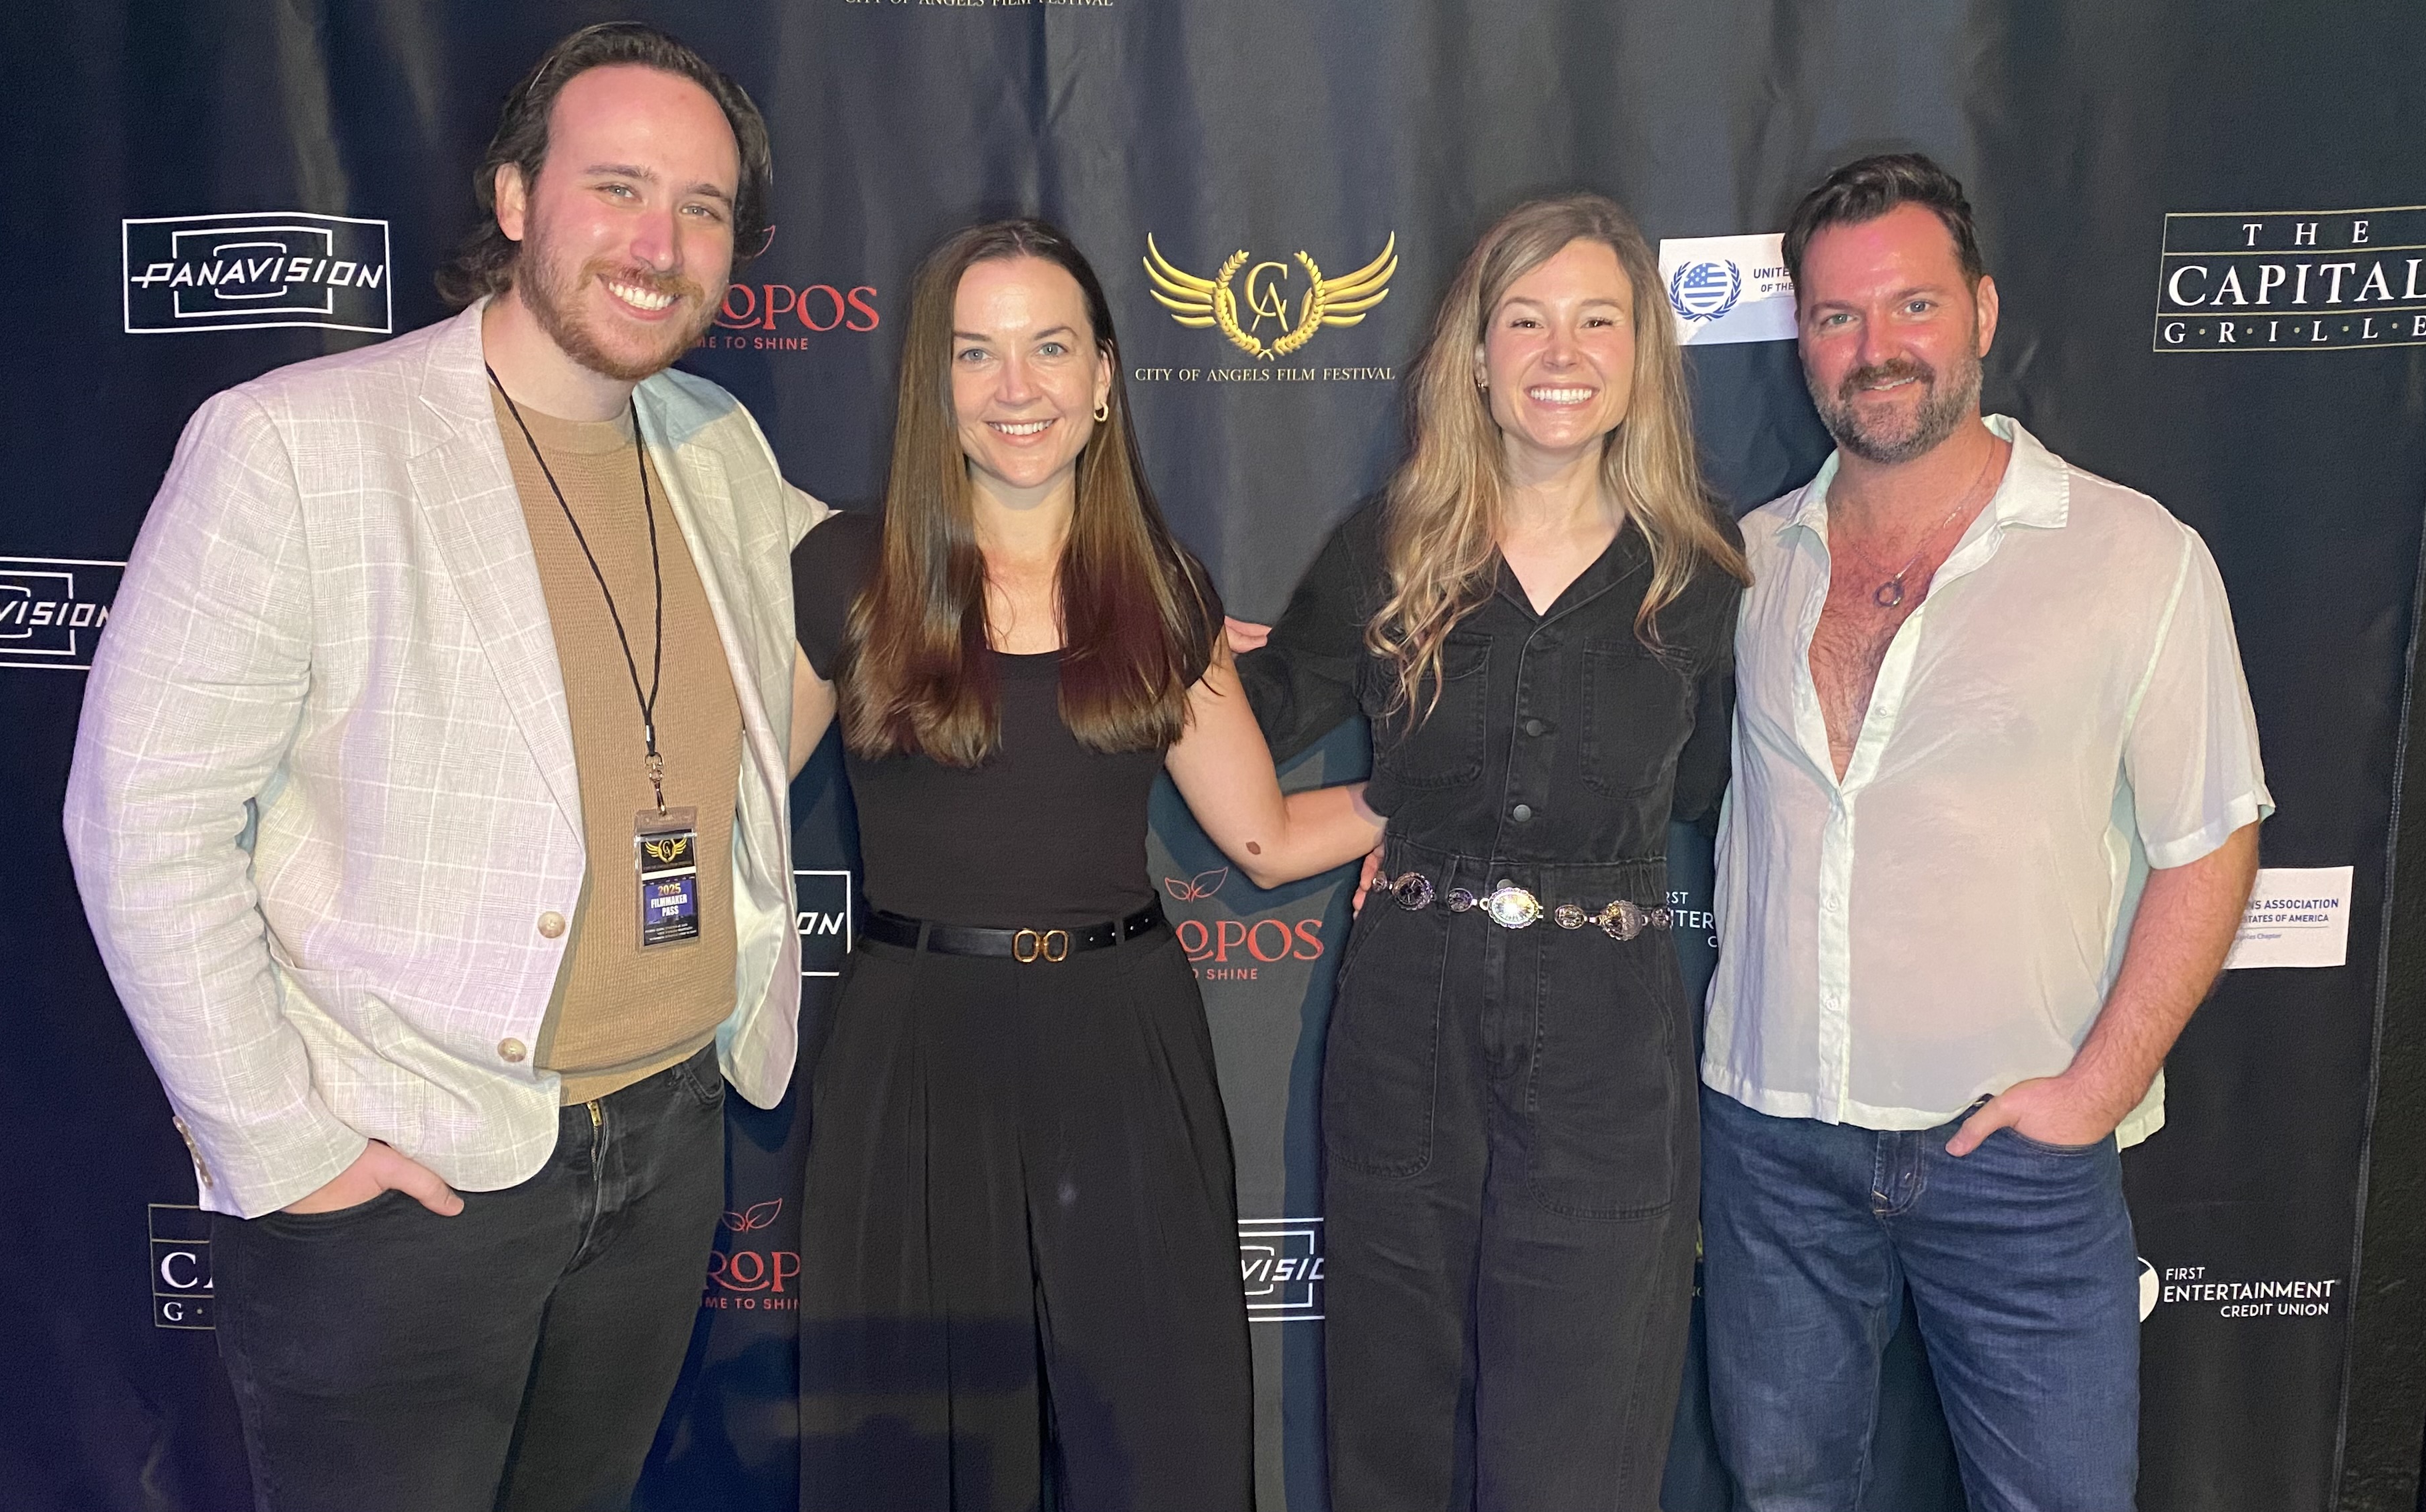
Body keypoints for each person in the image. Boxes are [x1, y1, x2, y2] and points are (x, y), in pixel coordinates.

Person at [61, 24, 813, 1512]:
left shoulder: (716, 442)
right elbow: (139, 819)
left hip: (663, 1143)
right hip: (404, 1173)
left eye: (704, 207)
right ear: (518, 197)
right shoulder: (296, 445)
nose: (659, 243)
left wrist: (1135, 591)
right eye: (616, 187)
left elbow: (890, 577)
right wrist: (284, 1146)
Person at [1697, 153, 2271, 1512]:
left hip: (2016, 1154)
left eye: (1912, 307)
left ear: (1985, 314)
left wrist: (2092, 1093)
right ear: (1804, 343)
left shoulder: (2132, 556)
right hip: (1772, 1145)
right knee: (1785, 1496)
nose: (1875, 348)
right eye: (1838, 317)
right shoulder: (1750, 559)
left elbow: (2212, 842)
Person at [787, 218, 1383, 1512]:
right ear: (933, 386)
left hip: (1122, 1048)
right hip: (915, 1052)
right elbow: (724, 803)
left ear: (1105, 377)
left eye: (1051, 349)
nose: (1019, 390)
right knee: (908, 1455)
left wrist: (1425, 807)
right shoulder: (848, 571)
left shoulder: (1160, 590)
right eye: (979, 354)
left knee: (1158, 1444)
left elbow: (1265, 837)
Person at [1235, 193, 1747, 1511]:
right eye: (1523, 320)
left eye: (1596, 321)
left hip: (1606, 1048)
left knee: (1577, 1449)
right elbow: (1262, 713)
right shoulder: (1389, 544)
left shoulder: (1698, 572)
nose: (1559, 353)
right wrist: (1137, 624)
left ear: (1643, 361)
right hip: (1408, 1013)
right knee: (1391, 1431)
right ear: (1474, 355)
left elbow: (1707, 789)